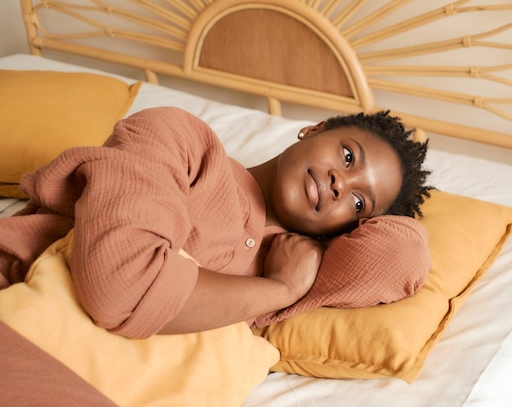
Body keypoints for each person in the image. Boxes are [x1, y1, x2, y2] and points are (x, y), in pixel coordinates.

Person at [0, 107, 432, 338]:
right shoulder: (179, 138)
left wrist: (297, 278)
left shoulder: (301, 267)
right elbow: (119, 286)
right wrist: (276, 290)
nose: (342, 183)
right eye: (348, 156)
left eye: (359, 202)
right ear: (313, 129)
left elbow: (402, 257)